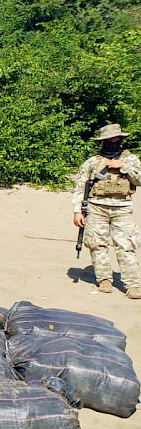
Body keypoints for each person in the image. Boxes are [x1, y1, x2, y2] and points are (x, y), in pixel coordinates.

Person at [72, 123, 141, 299]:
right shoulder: (93, 162)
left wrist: (123, 166)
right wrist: (77, 211)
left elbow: (139, 180)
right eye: (110, 139)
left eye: (116, 138)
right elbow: (81, 186)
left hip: (122, 208)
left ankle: (133, 285)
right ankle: (104, 280)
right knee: (97, 244)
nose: (113, 141)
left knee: (126, 245)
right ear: (103, 141)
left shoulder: (131, 160)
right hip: (96, 207)